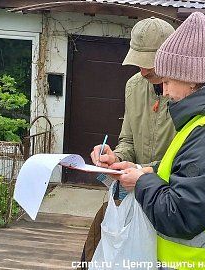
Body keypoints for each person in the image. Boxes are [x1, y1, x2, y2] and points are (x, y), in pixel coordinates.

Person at [116, 12, 205, 268]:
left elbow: (180, 215)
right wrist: (149, 170)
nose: (166, 91)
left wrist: (142, 181)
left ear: (191, 77)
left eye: (168, 80)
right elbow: (188, 169)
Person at [80, 17, 176, 264]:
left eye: (150, 64)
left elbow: (188, 158)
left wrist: (144, 171)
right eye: (139, 63)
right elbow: (127, 140)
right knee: (97, 251)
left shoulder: (186, 93)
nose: (144, 71)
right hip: (134, 196)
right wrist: (116, 156)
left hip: (170, 199)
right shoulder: (133, 85)